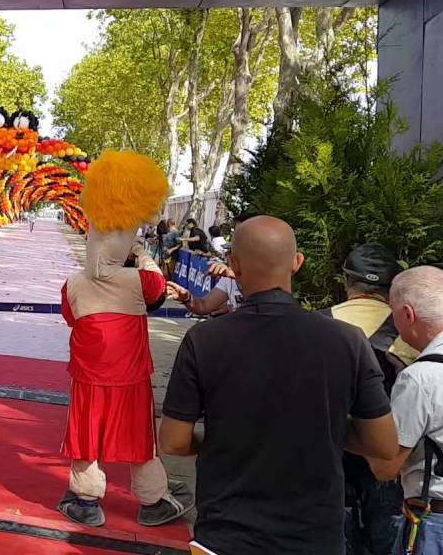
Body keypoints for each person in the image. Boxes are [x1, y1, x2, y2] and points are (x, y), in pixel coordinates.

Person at [159, 216, 399, 554]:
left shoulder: (204, 340)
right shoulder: (346, 341)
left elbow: (173, 441)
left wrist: (231, 434)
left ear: (234, 264)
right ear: (297, 262)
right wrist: (318, 425)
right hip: (315, 536)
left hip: (226, 533)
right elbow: (384, 446)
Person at [57, 151, 194, 529]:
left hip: (88, 379)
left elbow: (71, 318)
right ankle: (152, 501)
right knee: (140, 442)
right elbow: (157, 288)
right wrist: (141, 255)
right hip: (131, 379)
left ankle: (86, 500)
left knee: (86, 438)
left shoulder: (71, 285)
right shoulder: (139, 281)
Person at [323, 244, 413, 555]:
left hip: (327, 449)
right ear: (391, 289)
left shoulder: (316, 325)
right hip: (390, 453)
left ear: (347, 281)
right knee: (386, 534)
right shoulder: (408, 331)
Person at [364, 266, 443, 553]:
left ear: (407, 314)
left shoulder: (421, 378)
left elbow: (385, 466)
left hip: (435, 524)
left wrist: (351, 429)